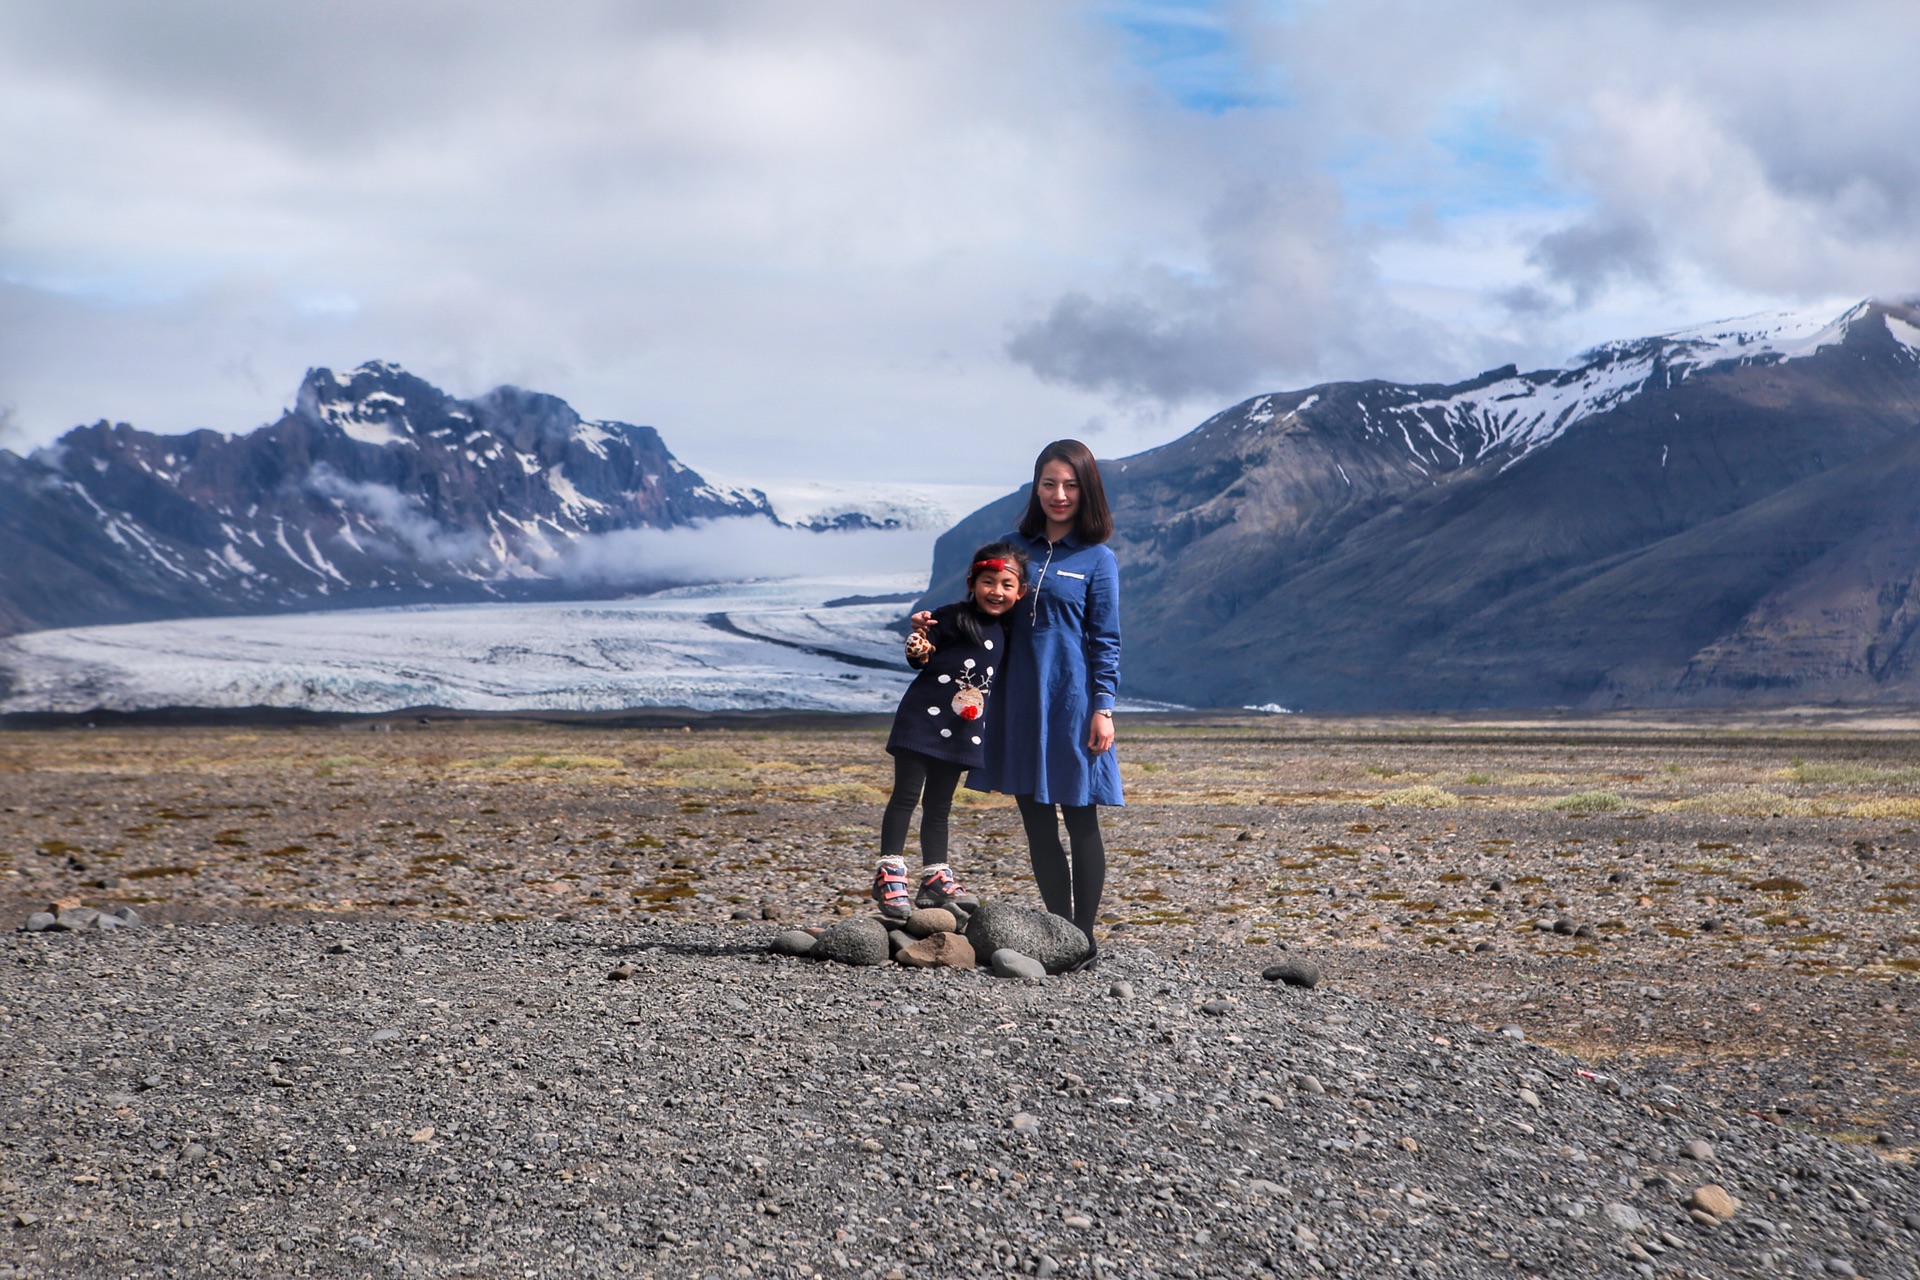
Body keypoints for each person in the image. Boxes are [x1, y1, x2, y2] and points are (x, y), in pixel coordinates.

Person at [967, 439, 1122, 970]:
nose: (1059, 494)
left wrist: (1104, 707)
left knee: (1081, 820)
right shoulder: (1013, 546)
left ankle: (1084, 939)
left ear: (1086, 490)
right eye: (1050, 483)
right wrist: (934, 627)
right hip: (1017, 702)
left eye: (1071, 484)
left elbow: (1106, 639)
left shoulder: (1098, 559)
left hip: (1072, 703)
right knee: (1036, 822)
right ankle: (1060, 936)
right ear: (1036, 486)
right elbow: (983, 606)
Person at [871, 542, 1029, 920]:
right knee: (906, 796)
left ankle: (934, 876)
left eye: (1007, 585)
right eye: (988, 582)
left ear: (1019, 592)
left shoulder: (1009, 629)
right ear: (972, 583)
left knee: (940, 805)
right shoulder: (951, 617)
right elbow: (919, 655)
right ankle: (890, 873)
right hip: (921, 721)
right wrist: (918, 640)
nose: (997, 591)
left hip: (962, 729)